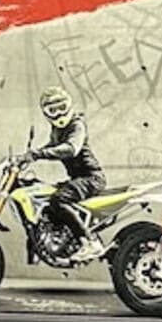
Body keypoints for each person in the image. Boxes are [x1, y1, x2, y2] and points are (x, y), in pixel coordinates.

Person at [25, 87, 105, 262]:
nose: (59, 114)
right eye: (52, 110)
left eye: (62, 107)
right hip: (78, 179)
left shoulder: (77, 125)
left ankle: (89, 242)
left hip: (91, 178)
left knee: (59, 200)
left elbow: (71, 148)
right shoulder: (57, 130)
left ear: (69, 106)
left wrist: (38, 154)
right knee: (46, 199)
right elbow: (51, 147)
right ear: (46, 113)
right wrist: (26, 157)